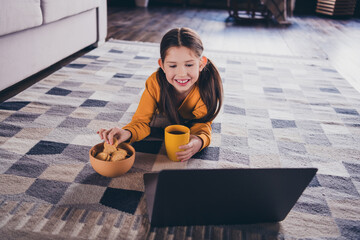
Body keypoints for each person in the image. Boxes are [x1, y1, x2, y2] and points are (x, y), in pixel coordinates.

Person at [98, 27, 223, 162]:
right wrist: (127, 133)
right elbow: (141, 122)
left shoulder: (207, 88)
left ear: (201, 64)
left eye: (189, 65)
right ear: (162, 65)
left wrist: (198, 141)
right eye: (172, 66)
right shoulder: (154, 83)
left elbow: (202, 124)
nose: (181, 73)